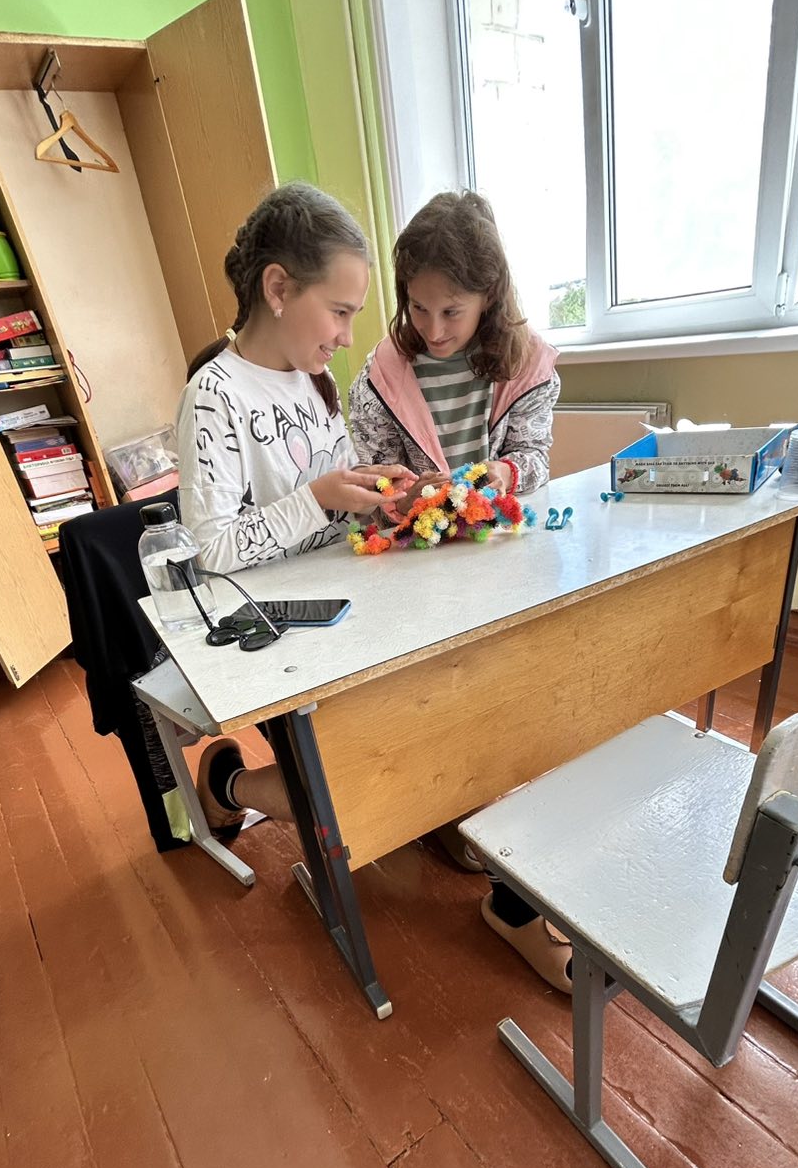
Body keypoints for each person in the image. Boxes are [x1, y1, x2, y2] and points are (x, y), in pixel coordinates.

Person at [350, 190, 570, 990]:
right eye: (418, 308)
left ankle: (484, 821)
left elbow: (533, 461)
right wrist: (398, 489)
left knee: (505, 694)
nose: (434, 328)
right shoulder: (384, 372)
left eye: (453, 310)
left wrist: (485, 481)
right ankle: (450, 811)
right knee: (436, 692)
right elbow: (370, 470)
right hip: (419, 563)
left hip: (498, 557)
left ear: (490, 297)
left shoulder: (525, 362)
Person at [176, 181, 412, 833]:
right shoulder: (214, 396)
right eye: (339, 311)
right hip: (276, 627)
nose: (348, 336)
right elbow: (212, 550)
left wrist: (373, 490)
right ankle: (228, 785)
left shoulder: (315, 379)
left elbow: (335, 483)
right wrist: (317, 499)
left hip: (342, 599)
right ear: (278, 289)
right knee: (355, 783)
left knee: (416, 729)